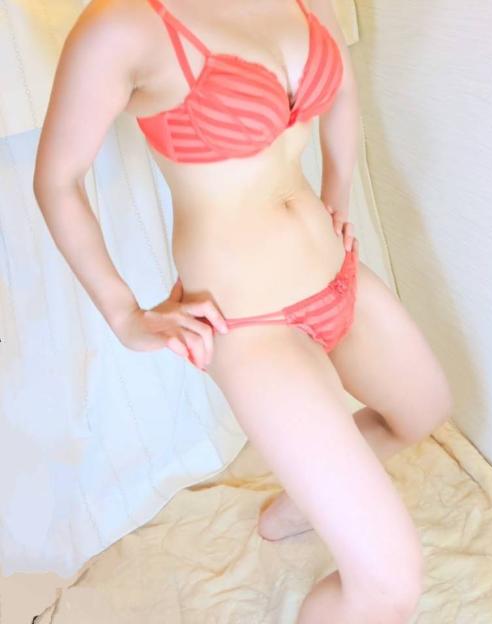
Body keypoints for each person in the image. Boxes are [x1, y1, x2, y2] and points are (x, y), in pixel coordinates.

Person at [33, 0, 453, 622]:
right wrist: (124, 316)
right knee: (389, 587)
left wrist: (337, 195)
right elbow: (57, 180)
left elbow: (341, 89)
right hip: (253, 324)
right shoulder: (124, 25)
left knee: (422, 412)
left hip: (336, 274)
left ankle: (294, 509)